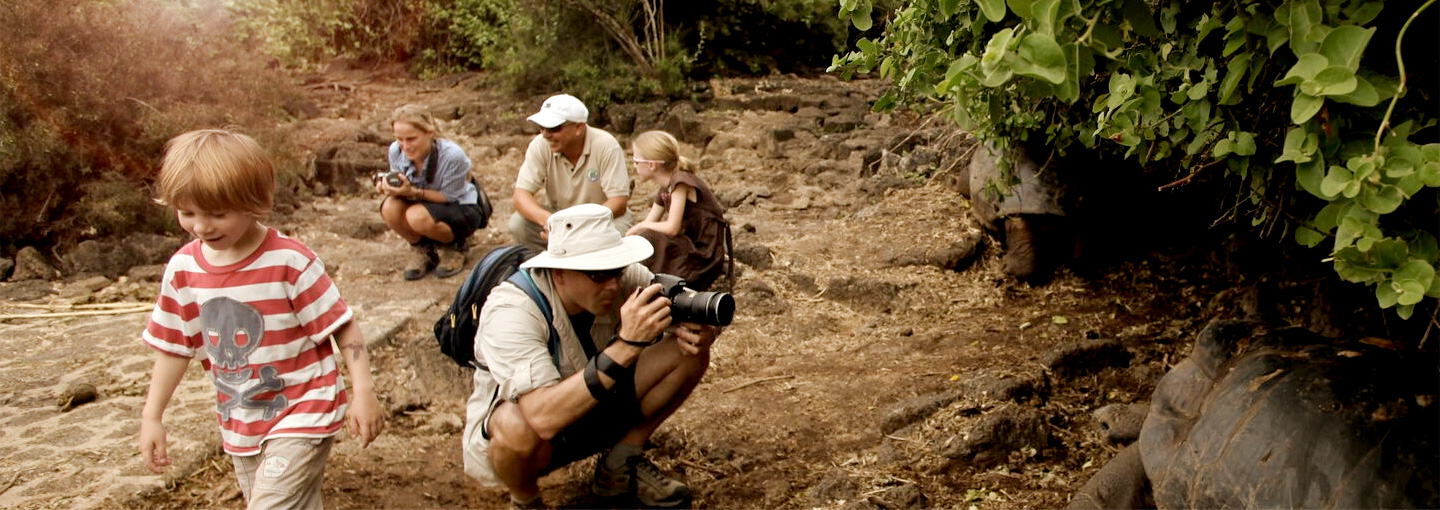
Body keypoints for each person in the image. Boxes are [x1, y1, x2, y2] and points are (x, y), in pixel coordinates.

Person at [138, 129, 385, 509]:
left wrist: (363, 391)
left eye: (218, 214)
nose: (202, 226)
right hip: (241, 420)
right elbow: (174, 346)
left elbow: (342, 324)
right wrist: (152, 415)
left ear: (256, 202)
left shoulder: (288, 262)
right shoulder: (183, 270)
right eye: (187, 213)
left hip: (305, 408)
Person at [464, 203, 721, 509]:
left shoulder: (622, 278)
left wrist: (702, 331)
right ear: (558, 273)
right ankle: (525, 500)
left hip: (593, 403)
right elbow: (542, 419)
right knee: (513, 426)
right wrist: (627, 344)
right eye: (598, 274)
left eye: (616, 269)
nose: (613, 284)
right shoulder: (512, 310)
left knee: (687, 352)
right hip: (543, 436)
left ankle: (619, 463)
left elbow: (686, 313)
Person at [509, 94, 633, 255]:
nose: (546, 134)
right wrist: (549, 222)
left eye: (553, 128)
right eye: (542, 127)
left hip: (601, 220)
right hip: (559, 218)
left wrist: (577, 227)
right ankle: (549, 269)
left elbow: (619, 202)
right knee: (518, 224)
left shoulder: (606, 146)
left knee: (614, 239)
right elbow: (520, 196)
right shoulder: (540, 145)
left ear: (578, 128)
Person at [378, 104, 486, 280]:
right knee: (389, 207)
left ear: (429, 133)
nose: (405, 146)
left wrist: (413, 192)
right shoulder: (395, 151)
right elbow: (399, 181)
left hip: (458, 206)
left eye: (411, 139)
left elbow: (449, 196)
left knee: (416, 216)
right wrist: (390, 188)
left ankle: (454, 246)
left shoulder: (453, 156)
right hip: (419, 200)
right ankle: (422, 248)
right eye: (400, 139)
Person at [625, 130, 731, 291]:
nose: (634, 166)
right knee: (645, 238)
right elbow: (650, 222)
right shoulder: (666, 187)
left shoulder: (681, 183)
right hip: (688, 247)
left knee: (651, 236)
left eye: (636, 161)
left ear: (652, 165)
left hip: (703, 256)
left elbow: (671, 228)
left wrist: (640, 226)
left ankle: (654, 286)